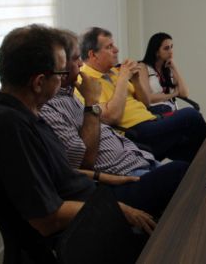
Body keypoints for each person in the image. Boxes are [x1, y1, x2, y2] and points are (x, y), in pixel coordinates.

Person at [0, 24, 155, 242]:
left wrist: (103, 177)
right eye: (62, 72)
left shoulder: (22, 113)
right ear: (39, 82)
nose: (65, 78)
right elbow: (46, 219)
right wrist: (119, 208)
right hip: (79, 234)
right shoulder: (10, 127)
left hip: (94, 197)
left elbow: (55, 172)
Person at [40, 30, 188, 217]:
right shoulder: (82, 87)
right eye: (76, 59)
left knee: (192, 170)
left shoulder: (73, 91)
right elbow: (84, 160)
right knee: (187, 135)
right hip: (125, 162)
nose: (80, 63)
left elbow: (145, 103)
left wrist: (134, 79)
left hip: (138, 155)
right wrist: (93, 101)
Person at [79, 27, 206, 162]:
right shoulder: (85, 81)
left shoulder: (114, 72)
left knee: (190, 151)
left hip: (151, 120)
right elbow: (112, 117)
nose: (116, 50)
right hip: (133, 133)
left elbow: (145, 103)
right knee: (190, 115)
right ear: (93, 55)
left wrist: (136, 81)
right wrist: (123, 78)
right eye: (109, 47)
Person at [138, 32, 189, 114]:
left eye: (171, 47)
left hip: (169, 110)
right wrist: (173, 94)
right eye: (166, 48)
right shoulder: (143, 67)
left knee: (191, 113)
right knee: (190, 113)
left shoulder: (169, 67)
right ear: (156, 52)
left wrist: (174, 68)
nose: (171, 51)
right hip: (154, 111)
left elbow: (184, 93)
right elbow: (147, 97)